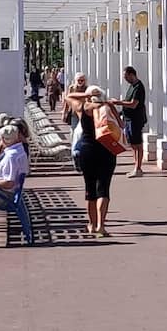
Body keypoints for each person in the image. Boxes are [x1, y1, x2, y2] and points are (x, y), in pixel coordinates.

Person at [65, 85, 120, 236]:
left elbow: (68, 96)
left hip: (87, 150)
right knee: (103, 188)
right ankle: (101, 226)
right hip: (107, 150)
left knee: (90, 189)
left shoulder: (83, 108)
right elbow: (120, 125)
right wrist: (108, 104)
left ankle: (92, 224)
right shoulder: (107, 107)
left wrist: (86, 95)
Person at [115, 65, 147, 177]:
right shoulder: (132, 86)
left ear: (131, 74)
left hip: (135, 119)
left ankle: (138, 168)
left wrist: (118, 102)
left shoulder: (138, 87)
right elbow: (128, 100)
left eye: (126, 77)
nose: (125, 79)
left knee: (137, 143)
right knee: (133, 144)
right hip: (129, 118)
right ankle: (136, 166)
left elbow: (133, 104)